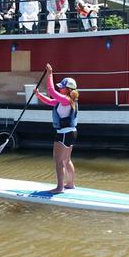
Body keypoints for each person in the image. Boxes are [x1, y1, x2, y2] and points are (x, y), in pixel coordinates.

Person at [34, 63, 79, 193]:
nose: (60, 89)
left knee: (58, 161)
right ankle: (70, 184)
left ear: (68, 90)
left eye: (62, 88)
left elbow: (51, 91)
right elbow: (50, 101)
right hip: (72, 133)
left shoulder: (65, 99)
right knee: (66, 160)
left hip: (64, 134)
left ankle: (59, 188)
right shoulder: (67, 100)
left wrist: (50, 74)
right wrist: (38, 95)